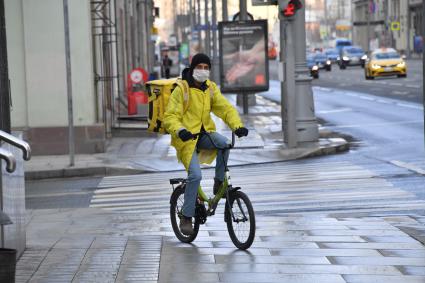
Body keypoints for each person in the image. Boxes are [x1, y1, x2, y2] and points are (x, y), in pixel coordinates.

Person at [163, 53, 249, 236]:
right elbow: (170, 117)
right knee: (195, 176)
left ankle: (219, 182)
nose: (203, 71)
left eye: (206, 67)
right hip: (185, 140)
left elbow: (225, 108)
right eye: (199, 67)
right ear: (193, 68)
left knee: (225, 144)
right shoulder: (182, 89)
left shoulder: (210, 88)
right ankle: (186, 217)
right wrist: (180, 130)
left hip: (203, 134)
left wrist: (237, 126)